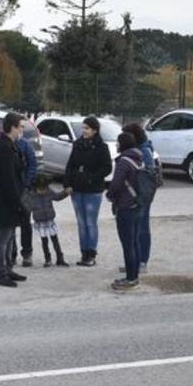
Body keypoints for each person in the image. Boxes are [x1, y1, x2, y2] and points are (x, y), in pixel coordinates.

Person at [65, 116, 112, 267]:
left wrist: (91, 178)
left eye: (87, 128)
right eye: (83, 128)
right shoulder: (77, 144)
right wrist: (68, 183)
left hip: (93, 190)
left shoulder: (101, 147)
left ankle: (91, 253)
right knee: (81, 223)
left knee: (90, 222)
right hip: (77, 188)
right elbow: (70, 165)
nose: (83, 131)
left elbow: (107, 168)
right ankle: (83, 253)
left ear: (94, 130)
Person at [0, 112, 27, 288]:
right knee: (3, 237)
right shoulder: (4, 147)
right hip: (6, 199)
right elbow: (8, 179)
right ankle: (1, 272)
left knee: (10, 236)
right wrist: (17, 203)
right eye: (20, 127)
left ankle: (8, 268)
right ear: (12, 127)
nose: (22, 131)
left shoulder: (11, 145)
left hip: (11, 197)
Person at [106, 132, 145, 291]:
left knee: (127, 244)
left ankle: (130, 279)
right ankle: (134, 276)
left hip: (125, 206)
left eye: (118, 142)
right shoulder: (138, 159)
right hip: (137, 204)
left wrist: (109, 196)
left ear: (123, 144)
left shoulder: (123, 162)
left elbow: (116, 184)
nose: (116, 145)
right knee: (135, 242)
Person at [122, 121, 161, 273]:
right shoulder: (137, 149)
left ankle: (142, 261)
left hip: (142, 195)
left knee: (142, 228)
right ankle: (134, 262)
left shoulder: (144, 151)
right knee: (135, 228)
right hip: (136, 193)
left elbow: (148, 175)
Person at [28, 175, 71, 268]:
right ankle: (48, 259)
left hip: (50, 220)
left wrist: (65, 193)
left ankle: (60, 258)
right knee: (44, 241)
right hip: (40, 222)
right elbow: (26, 205)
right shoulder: (31, 195)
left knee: (55, 240)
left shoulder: (49, 192)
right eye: (41, 189)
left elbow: (58, 197)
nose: (43, 191)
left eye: (45, 189)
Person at [15, 124, 37, 268]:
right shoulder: (0, 145)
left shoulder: (25, 145)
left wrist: (27, 182)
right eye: (20, 127)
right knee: (8, 224)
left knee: (25, 222)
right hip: (8, 189)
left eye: (23, 127)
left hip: (24, 189)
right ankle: (10, 254)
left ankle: (27, 254)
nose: (22, 130)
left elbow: (32, 165)